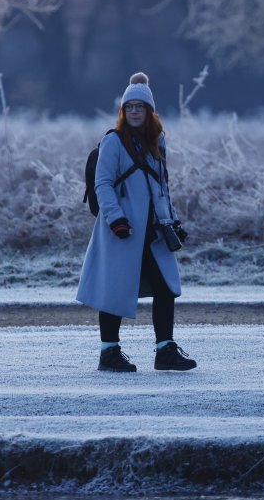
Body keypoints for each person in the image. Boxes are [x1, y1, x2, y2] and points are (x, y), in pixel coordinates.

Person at [77, 72, 197, 372]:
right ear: (123, 111)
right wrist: (116, 219)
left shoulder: (157, 142)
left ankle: (165, 350)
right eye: (128, 107)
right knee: (113, 290)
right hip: (122, 231)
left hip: (154, 232)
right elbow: (103, 184)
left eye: (139, 107)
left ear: (148, 111)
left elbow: (162, 186)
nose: (133, 111)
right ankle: (109, 353)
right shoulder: (114, 142)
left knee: (166, 288)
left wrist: (171, 220)